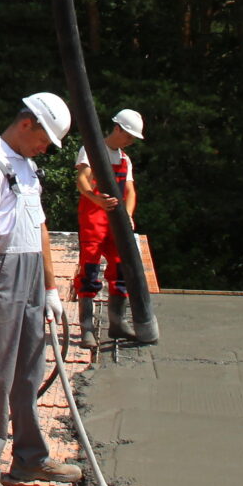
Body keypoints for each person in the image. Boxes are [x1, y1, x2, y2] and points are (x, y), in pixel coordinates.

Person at [0, 92, 79, 486]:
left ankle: (30, 459)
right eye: (45, 139)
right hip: (2, 274)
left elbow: (40, 229)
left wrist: (50, 287)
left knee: (29, 369)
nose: (46, 148)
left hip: (28, 274)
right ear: (27, 124)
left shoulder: (26, 166)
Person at [73, 109, 144, 342]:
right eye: (128, 136)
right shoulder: (92, 150)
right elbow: (82, 179)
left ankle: (117, 323)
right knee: (90, 271)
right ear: (117, 128)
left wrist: (129, 216)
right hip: (93, 220)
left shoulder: (125, 159)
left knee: (120, 269)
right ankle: (87, 329)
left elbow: (130, 191)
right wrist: (95, 198)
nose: (130, 141)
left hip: (117, 223)